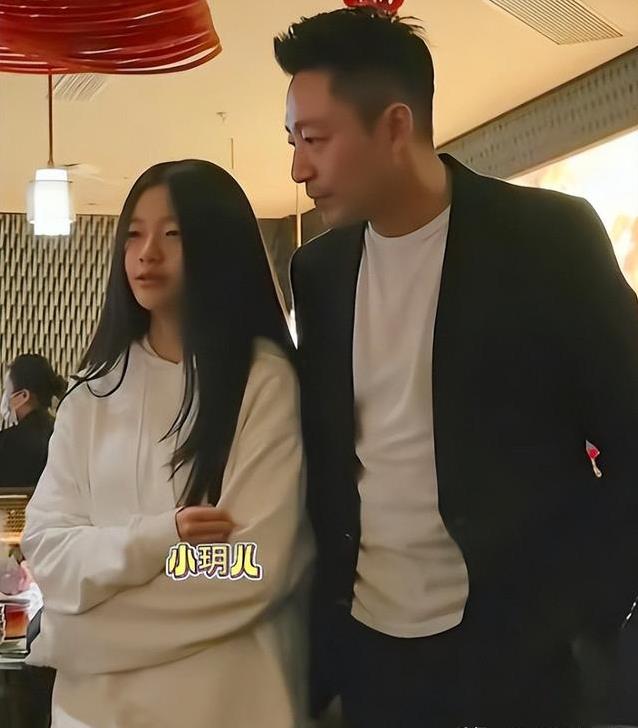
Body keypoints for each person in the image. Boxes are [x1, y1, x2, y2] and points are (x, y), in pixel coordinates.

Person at [275, 8, 638, 727]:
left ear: (395, 126)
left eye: (314, 140)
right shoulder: (318, 273)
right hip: (373, 651)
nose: (298, 168)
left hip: (522, 652)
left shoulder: (546, 238)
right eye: (292, 142)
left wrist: (588, 601)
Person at [21, 160, 314, 728]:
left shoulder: (262, 380)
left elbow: (251, 564)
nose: (146, 253)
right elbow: (48, 550)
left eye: (172, 234)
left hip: (227, 703)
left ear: (216, 244)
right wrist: (159, 539)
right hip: (93, 712)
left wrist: (81, 631)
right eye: (134, 234)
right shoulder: (92, 391)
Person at [0, 354, 66, 487]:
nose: (4, 398)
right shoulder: (65, 436)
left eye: (7, 390)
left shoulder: (5, 443)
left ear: (24, 395)